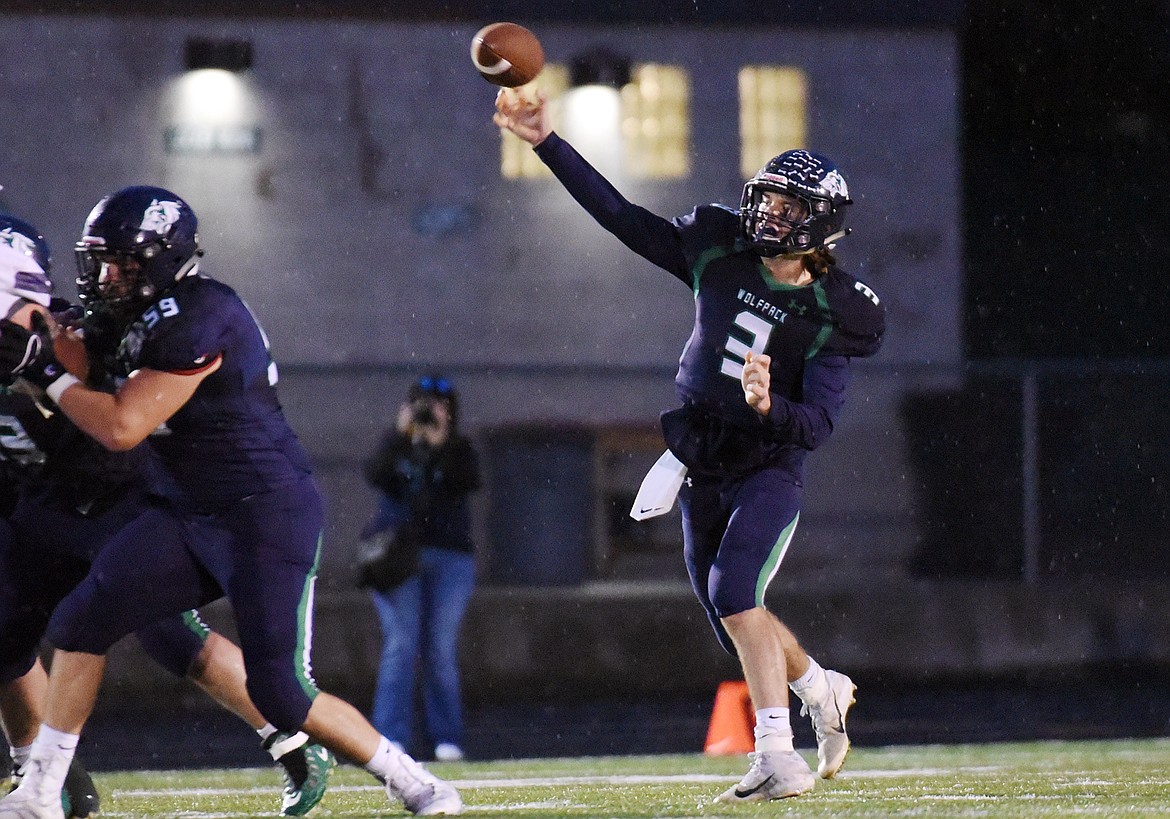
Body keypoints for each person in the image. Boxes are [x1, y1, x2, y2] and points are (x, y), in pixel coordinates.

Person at [0, 188, 462, 818]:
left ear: (162, 261)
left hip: (261, 511)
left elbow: (121, 425)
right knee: (81, 622)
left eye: (122, 264)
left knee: (284, 693)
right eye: (100, 262)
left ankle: (412, 780)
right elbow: (75, 347)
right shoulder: (135, 312)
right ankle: (40, 795)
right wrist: (36, 344)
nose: (106, 278)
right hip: (185, 511)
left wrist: (45, 372)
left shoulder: (201, 314)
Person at [493, 90, 885, 802]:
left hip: (767, 463)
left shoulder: (834, 312)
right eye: (767, 199)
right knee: (729, 610)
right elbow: (621, 218)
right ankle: (819, 688)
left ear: (820, 223)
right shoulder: (718, 248)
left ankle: (776, 755)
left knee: (738, 592)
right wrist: (548, 142)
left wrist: (770, 406)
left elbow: (819, 425)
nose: (770, 215)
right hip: (703, 453)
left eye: (789, 208)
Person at [0, 213, 334, 817]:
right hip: (36, 505)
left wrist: (43, 372)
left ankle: (292, 739)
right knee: (5, 634)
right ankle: (42, 781)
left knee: (171, 635)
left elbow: (116, 420)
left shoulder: (73, 330)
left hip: (112, 493)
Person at [359, 375, 481, 763]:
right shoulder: (395, 446)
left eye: (438, 405)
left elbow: (462, 484)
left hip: (449, 556)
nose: (429, 413)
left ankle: (446, 736)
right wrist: (402, 438)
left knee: (440, 648)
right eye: (422, 405)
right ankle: (389, 738)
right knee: (400, 644)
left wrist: (438, 445)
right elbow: (375, 474)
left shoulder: (460, 448)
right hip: (399, 558)